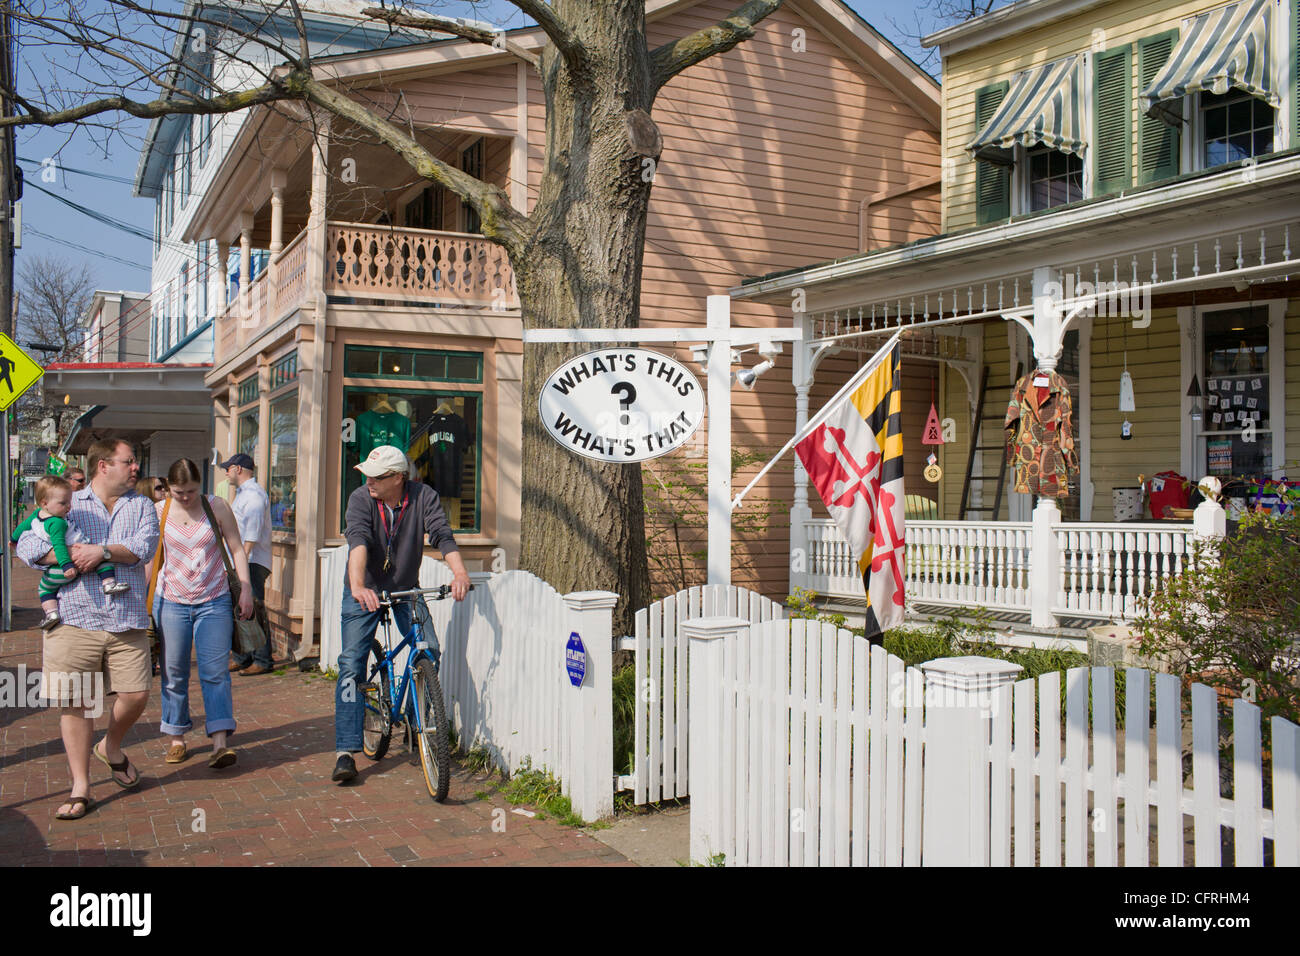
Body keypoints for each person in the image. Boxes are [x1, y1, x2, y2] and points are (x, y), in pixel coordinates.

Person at [14, 438, 160, 820]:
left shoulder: (142, 504)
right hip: (73, 617)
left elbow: (144, 546)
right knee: (76, 703)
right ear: (103, 466)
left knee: (136, 694)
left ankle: (110, 747)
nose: (135, 469)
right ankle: (81, 786)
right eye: (128, 462)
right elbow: (26, 543)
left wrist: (103, 551)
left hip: (126, 617)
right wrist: (66, 557)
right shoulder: (68, 500)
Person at [333, 445, 470, 784]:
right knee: (352, 664)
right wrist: (357, 586)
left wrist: (460, 574)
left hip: (406, 587)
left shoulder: (424, 497)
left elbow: (442, 535)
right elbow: (359, 541)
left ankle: (416, 721)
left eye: (376, 477)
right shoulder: (361, 499)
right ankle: (345, 751)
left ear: (398, 478)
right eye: (366, 475)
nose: (368, 482)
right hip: (363, 588)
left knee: (429, 649)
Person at [149, 459, 255, 769]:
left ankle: (220, 742)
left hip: (215, 599)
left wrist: (245, 588)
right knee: (173, 672)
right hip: (171, 601)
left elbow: (236, 548)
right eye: (179, 492)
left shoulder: (216, 506)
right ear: (169, 488)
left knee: (215, 672)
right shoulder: (160, 512)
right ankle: (176, 736)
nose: (186, 497)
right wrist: (142, 603)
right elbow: (150, 560)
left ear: (201, 485)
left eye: (192, 491)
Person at [12, 475, 133, 630]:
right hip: (68, 564)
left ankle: (52, 613)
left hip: (56, 569)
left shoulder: (37, 516)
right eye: (63, 503)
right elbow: (59, 546)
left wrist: (13, 539)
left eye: (69, 502)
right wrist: (67, 565)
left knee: (45, 588)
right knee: (103, 558)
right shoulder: (57, 523)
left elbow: (22, 527)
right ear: (44, 503)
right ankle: (108, 583)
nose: (68, 506)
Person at [220, 453, 273, 675]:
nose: (225, 472)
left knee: (253, 608)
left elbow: (251, 534)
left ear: (238, 469)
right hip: (243, 561)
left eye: (228, 468)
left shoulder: (253, 496)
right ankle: (243, 656)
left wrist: (240, 562)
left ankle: (262, 659)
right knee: (240, 608)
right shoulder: (244, 494)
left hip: (251, 562)